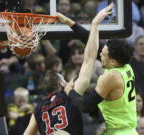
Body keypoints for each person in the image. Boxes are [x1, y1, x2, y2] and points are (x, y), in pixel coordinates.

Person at [23, 4, 113, 135]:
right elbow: (88, 60)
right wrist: (94, 26)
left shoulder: (39, 108)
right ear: (62, 84)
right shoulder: (70, 96)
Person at [58, 3, 138, 135]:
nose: (100, 54)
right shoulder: (125, 65)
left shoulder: (111, 76)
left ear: (112, 60)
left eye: (103, 54)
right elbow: (92, 45)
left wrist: (69, 90)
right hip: (126, 130)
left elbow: (85, 106)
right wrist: (71, 22)